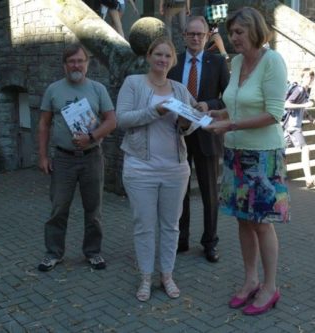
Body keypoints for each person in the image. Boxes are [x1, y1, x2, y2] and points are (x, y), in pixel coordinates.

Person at [205, 7, 290, 315]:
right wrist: (219, 113)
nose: (233, 38)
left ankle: (270, 287)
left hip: (263, 156)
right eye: (232, 33)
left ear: (255, 30)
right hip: (235, 153)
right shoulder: (238, 61)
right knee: (243, 219)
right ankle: (250, 279)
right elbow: (238, 104)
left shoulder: (272, 62)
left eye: (239, 32)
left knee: (261, 222)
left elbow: (274, 113)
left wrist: (231, 125)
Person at [116, 36, 196, 302]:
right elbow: (122, 119)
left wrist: (187, 123)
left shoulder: (180, 89)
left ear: (173, 60)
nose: (163, 60)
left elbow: (192, 122)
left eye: (168, 56)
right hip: (140, 167)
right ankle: (146, 277)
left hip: (175, 168)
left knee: (171, 225)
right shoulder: (134, 83)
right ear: (149, 56)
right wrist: (155, 111)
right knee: (144, 225)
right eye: (158, 55)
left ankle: (167, 275)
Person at [37, 43, 117, 272]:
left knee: (94, 210)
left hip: (92, 157)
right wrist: (43, 156)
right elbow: (43, 124)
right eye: (71, 61)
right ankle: (53, 253)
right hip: (63, 159)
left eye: (80, 61)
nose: (76, 65)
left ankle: (93, 252)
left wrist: (91, 136)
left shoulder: (98, 89)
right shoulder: (54, 90)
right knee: (58, 208)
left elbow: (112, 121)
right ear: (64, 65)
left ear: (87, 64)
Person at [168, 16, 229, 263]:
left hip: (206, 134)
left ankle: (209, 242)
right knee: (180, 192)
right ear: (184, 36)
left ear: (207, 36)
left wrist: (210, 104)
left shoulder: (218, 62)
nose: (195, 38)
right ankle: (181, 240)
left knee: (209, 193)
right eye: (191, 34)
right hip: (179, 135)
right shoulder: (174, 62)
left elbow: (229, 98)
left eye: (200, 34)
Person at [282, 68, 315, 189]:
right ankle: (309, 180)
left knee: (280, 151)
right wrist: (304, 105)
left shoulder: (306, 91)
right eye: (307, 77)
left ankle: (281, 178)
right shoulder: (299, 89)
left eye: (311, 77)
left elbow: (301, 108)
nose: (309, 79)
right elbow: (287, 104)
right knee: (306, 149)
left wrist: (310, 117)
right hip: (292, 126)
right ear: (302, 78)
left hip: (288, 126)